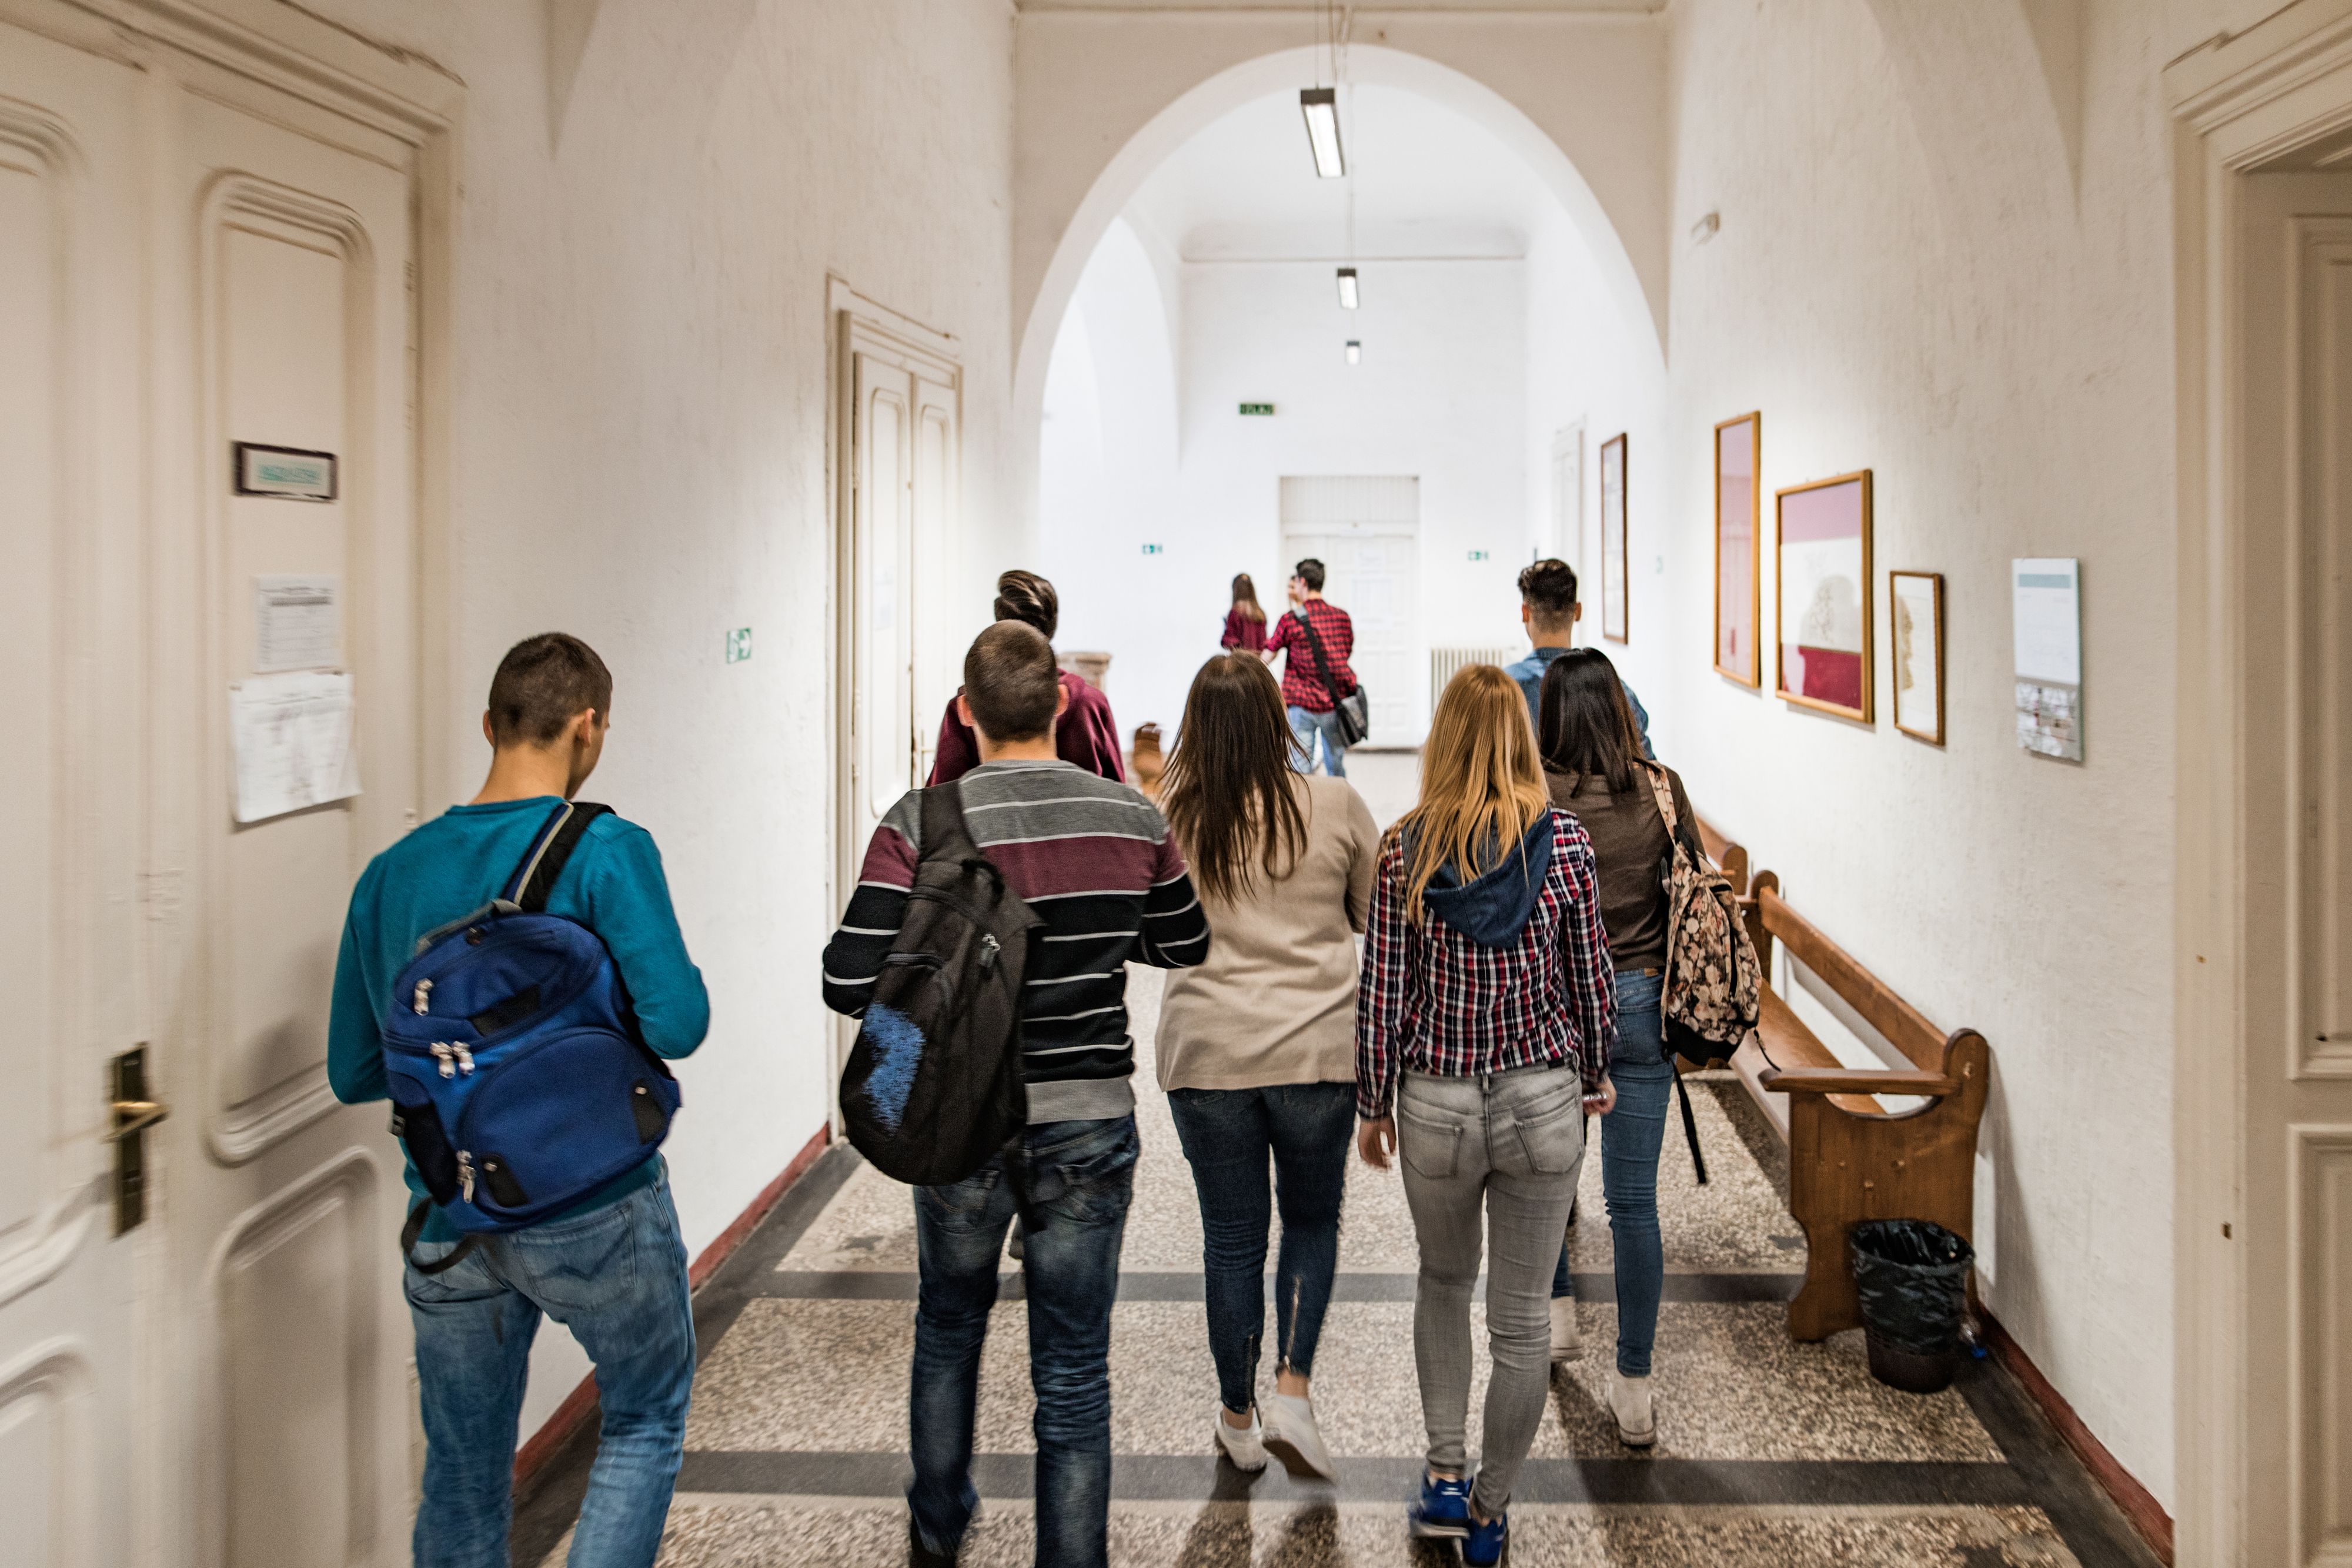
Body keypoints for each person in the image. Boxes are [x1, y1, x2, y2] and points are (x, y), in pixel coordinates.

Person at [822, 619, 1209, 1568]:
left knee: (949, 1325)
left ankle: (938, 1527)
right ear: (1064, 707)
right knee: (1074, 1366)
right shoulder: (1132, 815)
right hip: (1088, 1122)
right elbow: (1184, 941)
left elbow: (845, 977)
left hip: (958, 1119)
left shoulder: (920, 820)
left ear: (967, 709)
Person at [328, 633, 709, 1568]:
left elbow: (355, 1070)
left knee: (461, 1468)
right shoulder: (606, 849)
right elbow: (678, 1022)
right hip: (593, 1209)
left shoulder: (391, 873)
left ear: (489, 725)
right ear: (589, 727)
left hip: (449, 1211)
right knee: (643, 1415)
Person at [1355, 663, 1616, 1568]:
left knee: (1441, 1282)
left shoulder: (1406, 850)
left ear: (1445, 737)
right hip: (1543, 1100)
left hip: (1436, 1103)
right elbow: (1590, 979)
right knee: (1522, 1322)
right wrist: (1597, 1069)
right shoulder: (1568, 847)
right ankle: (1492, 1510)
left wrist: (1370, 1102)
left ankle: (1442, 1473)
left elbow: (1383, 991)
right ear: (1520, 739)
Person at [1154, 652, 1380, 1482]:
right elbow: (1373, 915)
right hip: (1317, 1053)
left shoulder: (1169, 813)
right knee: (1312, 1222)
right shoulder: (1334, 801)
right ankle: (1292, 1387)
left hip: (1208, 1057)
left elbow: (1152, 935)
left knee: (1231, 1241)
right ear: (1277, 718)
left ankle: (1237, 1418)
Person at [1537, 649, 1699, 1447]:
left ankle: (1560, 1315)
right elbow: (1692, 884)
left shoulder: (1534, 797)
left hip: (1555, 1009)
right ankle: (1633, 1383)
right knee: (1633, 1203)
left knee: (1547, 1180)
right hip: (1642, 1007)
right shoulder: (1662, 789)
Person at [928, 569, 1126, 784]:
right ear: (1052, 625)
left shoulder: (971, 704)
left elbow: (942, 799)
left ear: (1000, 624)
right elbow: (1117, 794)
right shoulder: (1091, 703)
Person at [1502, 559, 1653, 758]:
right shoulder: (1618, 692)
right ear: (1578, 611)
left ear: (1525, 612)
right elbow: (1647, 769)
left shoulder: (1505, 689)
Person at [1264, 557, 1357, 777]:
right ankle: (1338, 807)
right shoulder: (1342, 618)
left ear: (1302, 582)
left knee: (1301, 768)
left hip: (1301, 704)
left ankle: (1304, 811)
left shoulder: (1290, 620)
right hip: (1334, 704)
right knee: (1335, 767)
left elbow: (1268, 655)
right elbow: (1347, 652)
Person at [1220, 571, 1271, 653]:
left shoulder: (1235, 613)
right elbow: (1263, 643)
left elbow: (1229, 640)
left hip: (1241, 661)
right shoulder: (1260, 613)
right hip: (1257, 661)